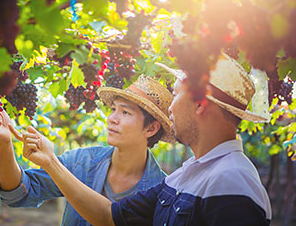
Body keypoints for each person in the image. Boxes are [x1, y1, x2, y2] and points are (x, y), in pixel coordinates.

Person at [19, 52, 272, 225]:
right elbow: (110, 217)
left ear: (199, 104)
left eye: (176, 94)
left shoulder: (231, 179)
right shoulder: (184, 177)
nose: (170, 107)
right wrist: (50, 162)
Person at [0, 75, 174, 226]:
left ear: (151, 128)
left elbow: (108, 218)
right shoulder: (81, 162)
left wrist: (51, 161)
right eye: (113, 109)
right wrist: (5, 142)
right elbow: (18, 192)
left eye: (125, 112)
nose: (112, 118)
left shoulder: (163, 192)